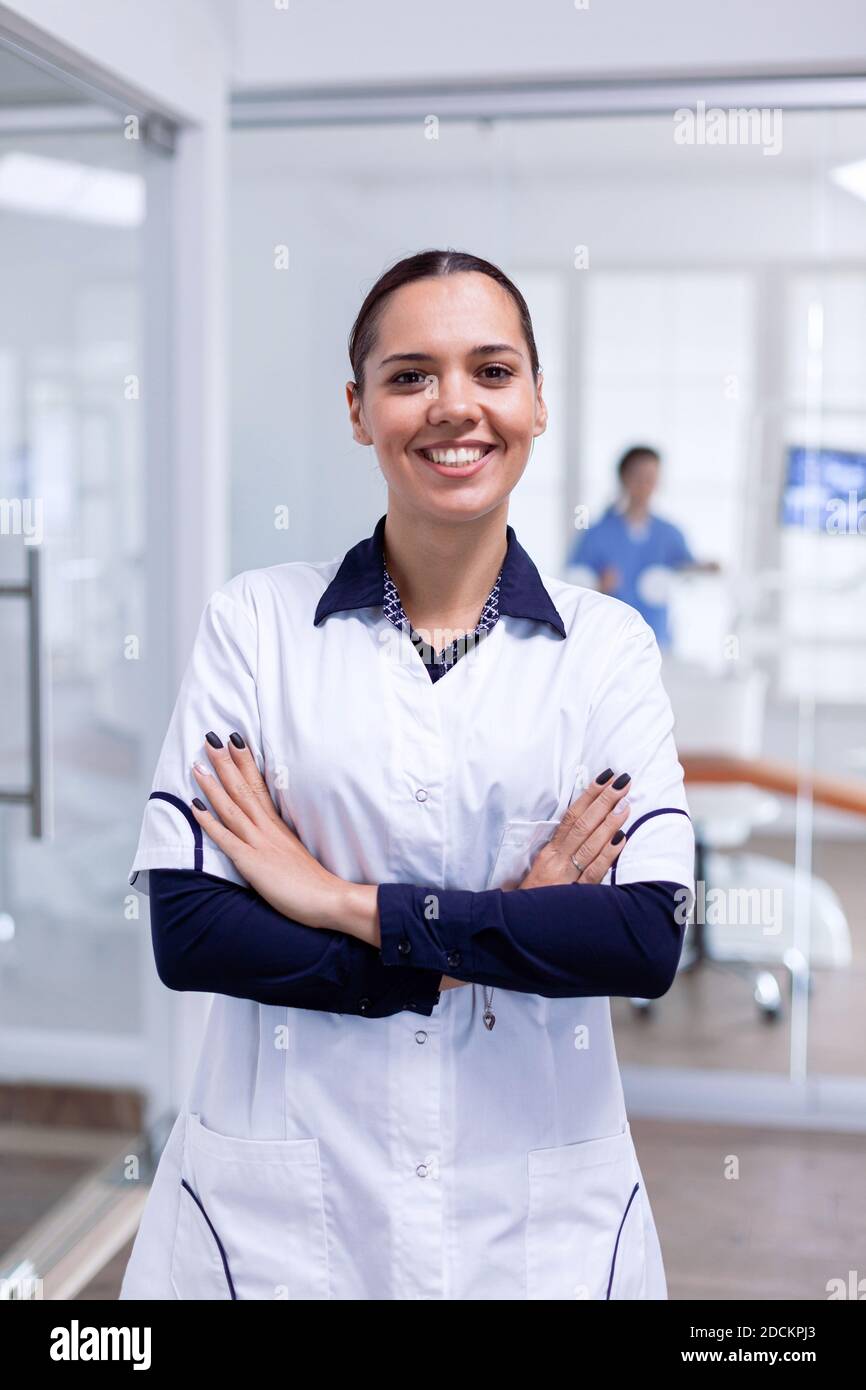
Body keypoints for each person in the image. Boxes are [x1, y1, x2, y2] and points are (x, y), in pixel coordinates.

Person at [119, 249, 695, 1302]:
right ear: (357, 408)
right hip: (287, 1207)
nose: (453, 407)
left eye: (489, 370)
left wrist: (338, 901)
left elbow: (640, 935)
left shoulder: (604, 649)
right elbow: (191, 929)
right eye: (408, 376)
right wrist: (480, 938)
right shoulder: (255, 624)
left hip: (530, 1216)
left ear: (535, 399)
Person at [567, 445, 720, 650]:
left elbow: (685, 572)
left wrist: (705, 569)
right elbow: (571, 585)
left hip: (657, 640)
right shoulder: (596, 533)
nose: (646, 485)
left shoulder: (669, 533)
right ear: (624, 478)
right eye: (639, 476)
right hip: (608, 640)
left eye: (652, 477)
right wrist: (597, 585)